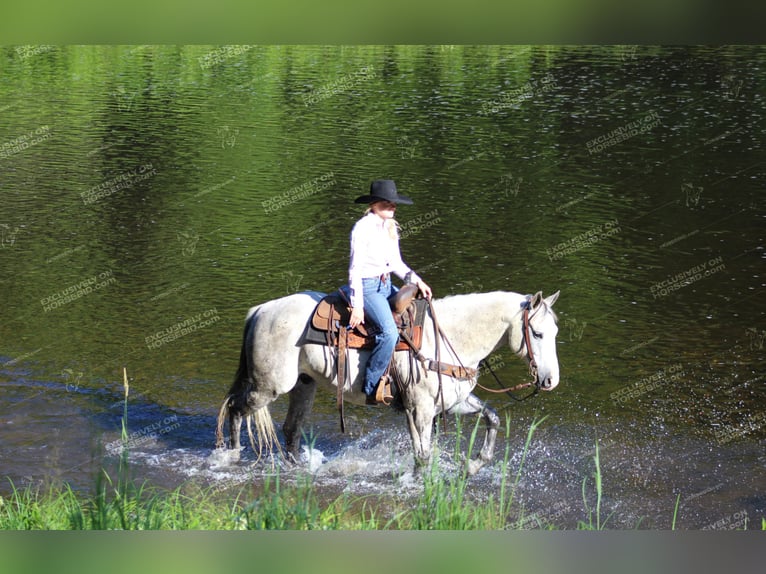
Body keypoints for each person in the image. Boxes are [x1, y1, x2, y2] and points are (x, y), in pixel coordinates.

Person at [347, 179, 432, 404]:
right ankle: (372, 385)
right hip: (367, 287)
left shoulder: (390, 227)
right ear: (374, 204)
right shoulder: (362, 228)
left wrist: (417, 281)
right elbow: (355, 269)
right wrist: (357, 306)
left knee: (418, 314)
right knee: (389, 333)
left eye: (393, 203)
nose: (392, 206)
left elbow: (396, 263)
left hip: (385, 285)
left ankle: (411, 376)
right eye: (386, 203)